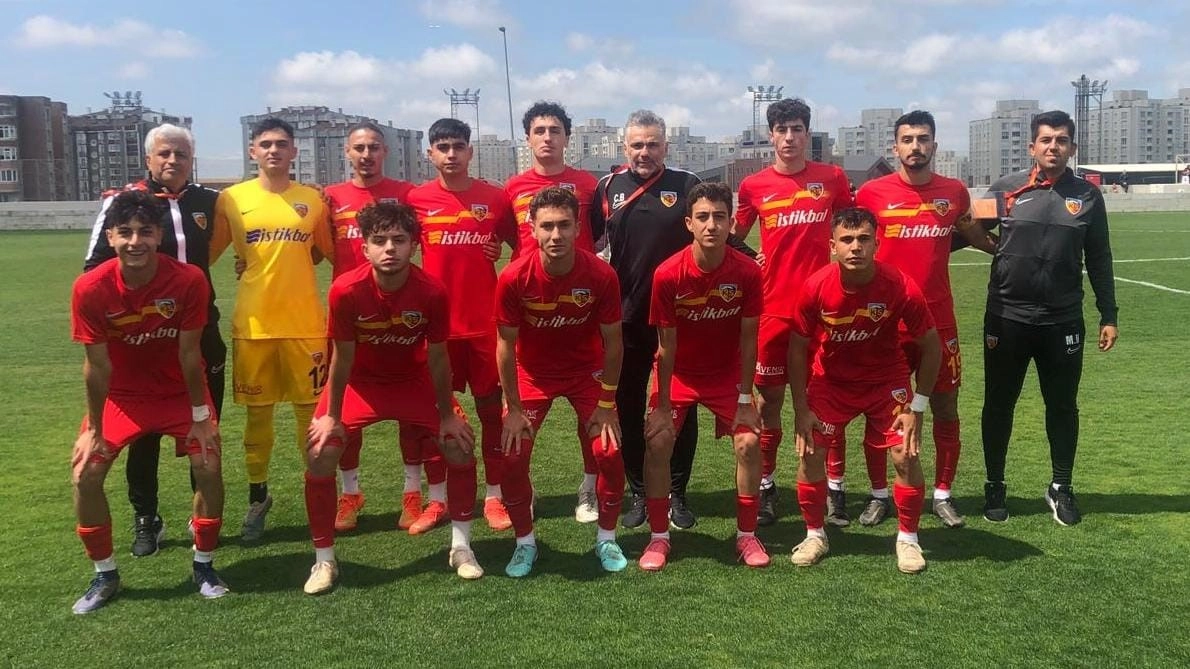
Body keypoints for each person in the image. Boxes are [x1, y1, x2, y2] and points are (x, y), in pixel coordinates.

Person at [303, 202, 481, 593]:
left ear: (413, 245)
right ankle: (324, 560)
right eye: (379, 240)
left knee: (459, 444)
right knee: (320, 450)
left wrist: (447, 415)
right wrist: (332, 415)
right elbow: (342, 357)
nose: (389, 249)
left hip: (412, 381)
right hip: (361, 385)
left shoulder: (431, 291)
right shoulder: (345, 290)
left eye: (399, 240)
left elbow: (438, 359)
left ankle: (461, 547)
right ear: (364, 247)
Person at [69, 190, 227, 614]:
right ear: (111, 237)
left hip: (178, 394)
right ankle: (105, 574)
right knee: (85, 474)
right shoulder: (90, 288)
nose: (135, 241)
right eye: (125, 232)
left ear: (159, 236)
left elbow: (190, 355)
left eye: (145, 232)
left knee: (208, 465)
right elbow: (96, 367)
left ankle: (204, 565)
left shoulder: (188, 280)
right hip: (123, 398)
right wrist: (95, 430)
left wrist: (201, 417)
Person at [969, 110, 1118, 526]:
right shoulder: (1005, 188)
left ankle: (1061, 486)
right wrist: (994, 248)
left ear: (1072, 147)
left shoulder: (1088, 196)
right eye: (1047, 140)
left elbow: (1100, 257)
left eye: (1062, 140)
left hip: (1062, 320)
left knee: (1063, 405)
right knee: (999, 403)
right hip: (1006, 317)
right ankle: (995, 485)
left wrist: (1108, 313)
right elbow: (969, 228)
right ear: (1032, 146)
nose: (1054, 146)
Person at [82, 123, 224, 558]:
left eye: (181, 154)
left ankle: (199, 515)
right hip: (142, 334)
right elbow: (93, 267)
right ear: (149, 159)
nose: (172, 160)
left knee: (203, 432)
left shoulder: (210, 201)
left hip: (200, 330)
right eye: (164, 153)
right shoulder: (125, 203)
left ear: (191, 159)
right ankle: (147, 517)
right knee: (141, 437)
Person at [788, 207, 940, 574]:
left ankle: (908, 539)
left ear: (877, 243)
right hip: (832, 383)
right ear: (832, 246)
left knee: (905, 455)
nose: (855, 247)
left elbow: (932, 345)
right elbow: (796, 348)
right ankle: (814, 535)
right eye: (847, 240)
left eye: (863, 239)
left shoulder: (900, 285)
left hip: (886, 382)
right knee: (811, 452)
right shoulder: (815, 287)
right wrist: (801, 408)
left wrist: (917, 407)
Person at [842, 110, 973, 529]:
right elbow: (850, 243)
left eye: (923, 138)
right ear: (895, 147)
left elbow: (970, 233)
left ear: (934, 144)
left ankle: (943, 494)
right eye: (907, 139)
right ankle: (879, 494)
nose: (916, 146)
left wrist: (1008, 246)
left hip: (939, 321)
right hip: (883, 323)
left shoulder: (955, 192)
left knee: (945, 406)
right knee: (880, 411)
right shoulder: (871, 194)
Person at [209, 117, 334, 541]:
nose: (274, 150)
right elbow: (203, 256)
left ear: (294, 151)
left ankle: (318, 496)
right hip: (254, 326)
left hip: (305, 326)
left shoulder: (313, 200)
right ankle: (257, 497)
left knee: (310, 419)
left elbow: (331, 253)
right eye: (265, 144)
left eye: (281, 143)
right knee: (258, 418)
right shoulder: (231, 199)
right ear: (253, 151)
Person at [494, 187, 627, 577]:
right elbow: (504, 346)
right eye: (547, 226)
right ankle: (525, 543)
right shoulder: (514, 277)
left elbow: (614, 343)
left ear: (578, 228)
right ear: (532, 229)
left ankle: (606, 537)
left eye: (564, 225)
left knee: (609, 453)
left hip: (587, 372)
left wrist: (606, 404)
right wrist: (513, 408)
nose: (556, 235)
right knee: (512, 456)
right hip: (533, 374)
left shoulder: (601, 274)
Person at [320, 121, 444, 535]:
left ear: (385, 152)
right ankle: (350, 493)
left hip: (401, 312)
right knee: (345, 409)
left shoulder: (407, 194)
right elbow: (315, 247)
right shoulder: (330, 197)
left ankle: (412, 492)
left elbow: (433, 231)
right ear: (347, 152)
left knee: (412, 413)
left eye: (374, 147)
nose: (366, 154)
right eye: (359, 147)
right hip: (350, 312)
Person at [733, 98, 852, 527]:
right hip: (773, 312)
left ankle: (835, 487)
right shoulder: (754, 186)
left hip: (824, 312)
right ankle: (766, 486)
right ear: (771, 136)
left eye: (797, 129)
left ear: (807, 134)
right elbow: (732, 236)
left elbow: (852, 227)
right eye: (782, 130)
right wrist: (752, 258)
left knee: (827, 402)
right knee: (770, 404)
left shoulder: (832, 178)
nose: (789, 137)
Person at [639, 182, 767, 571]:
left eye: (720, 217)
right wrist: (663, 405)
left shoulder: (747, 272)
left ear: (731, 223)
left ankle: (747, 535)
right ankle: (659, 537)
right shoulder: (667, 274)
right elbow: (665, 347)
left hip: (727, 374)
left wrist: (745, 400)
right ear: (689, 224)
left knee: (749, 442)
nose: (711, 225)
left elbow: (749, 341)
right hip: (680, 373)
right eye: (703, 217)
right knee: (658, 441)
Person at [590, 109, 703, 530]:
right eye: (637, 145)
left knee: (679, 406)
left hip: (678, 318)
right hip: (626, 318)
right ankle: (639, 491)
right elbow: (592, 246)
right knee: (629, 404)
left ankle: (677, 493)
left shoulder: (687, 184)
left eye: (652, 144)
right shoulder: (607, 188)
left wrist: (754, 258)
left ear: (665, 147)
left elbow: (714, 236)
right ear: (625, 148)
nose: (644, 152)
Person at [408, 118, 518, 532]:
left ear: (470, 152)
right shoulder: (417, 200)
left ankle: (495, 496)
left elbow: (520, 245)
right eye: (442, 147)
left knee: (492, 415)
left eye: (458, 146)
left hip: (485, 327)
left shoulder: (494, 198)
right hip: (437, 331)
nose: (451, 154)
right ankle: (437, 500)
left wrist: (497, 249)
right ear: (430, 154)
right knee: (435, 415)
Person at [504, 102, 603, 523]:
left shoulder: (588, 185)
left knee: (592, 413)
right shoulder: (512, 187)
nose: (547, 137)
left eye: (555, 130)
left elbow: (600, 236)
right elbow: (507, 239)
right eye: (539, 130)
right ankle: (521, 490)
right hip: (534, 314)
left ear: (567, 137)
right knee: (520, 423)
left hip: (581, 308)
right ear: (528, 138)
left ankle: (589, 487)